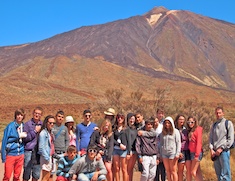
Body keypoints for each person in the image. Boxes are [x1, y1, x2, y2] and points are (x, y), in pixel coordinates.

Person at [209, 106, 234, 181]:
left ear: (223, 113)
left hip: (224, 152)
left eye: (220, 113)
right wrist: (211, 149)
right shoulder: (214, 125)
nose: (218, 114)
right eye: (217, 113)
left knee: (226, 174)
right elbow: (211, 138)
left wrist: (222, 148)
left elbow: (230, 139)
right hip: (215, 152)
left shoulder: (228, 123)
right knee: (218, 173)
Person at [1, 108, 27, 181]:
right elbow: (5, 141)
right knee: (7, 175)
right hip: (11, 154)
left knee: (17, 176)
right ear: (15, 116)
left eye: (21, 115)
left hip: (20, 154)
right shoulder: (10, 126)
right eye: (18, 115)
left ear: (23, 116)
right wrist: (3, 156)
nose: (19, 117)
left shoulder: (24, 126)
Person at [23, 106, 43, 181]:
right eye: (35, 113)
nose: (37, 115)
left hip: (38, 152)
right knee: (27, 172)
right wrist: (34, 131)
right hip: (29, 150)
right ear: (33, 113)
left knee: (36, 174)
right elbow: (25, 138)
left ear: (41, 115)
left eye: (39, 114)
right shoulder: (27, 124)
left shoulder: (42, 125)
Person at [160, 116, 181, 181]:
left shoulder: (176, 131)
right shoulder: (162, 133)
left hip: (172, 153)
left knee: (173, 171)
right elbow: (161, 144)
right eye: (165, 123)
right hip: (164, 154)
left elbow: (178, 143)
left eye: (168, 123)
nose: (167, 124)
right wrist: (160, 154)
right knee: (168, 171)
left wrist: (177, 153)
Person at [38, 115, 56, 181]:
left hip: (50, 156)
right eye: (50, 123)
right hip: (46, 157)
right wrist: (47, 158)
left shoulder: (50, 132)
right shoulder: (43, 133)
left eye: (53, 123)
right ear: (46, 123)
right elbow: (41, 148)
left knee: (49, 177)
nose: (52, 124)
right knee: (45, 177)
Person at [174, 114, 191, 181]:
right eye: (180, 119)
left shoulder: (186, 129)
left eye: (183, 119)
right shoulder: (175, 130)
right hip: (180, 151)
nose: (182, 121)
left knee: (188, 169)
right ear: (177, 120)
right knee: (180, 170)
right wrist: (178, 152)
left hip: (187, 150)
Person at [112, 113, 128, 181]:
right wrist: (119, 145)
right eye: (118, 117)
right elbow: (112, 139)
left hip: (124, 150)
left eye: (121, 117)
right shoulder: (113, 128)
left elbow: (129, 140)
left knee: (124, 169)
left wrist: (127, 149)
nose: (120, 119)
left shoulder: (126, 129)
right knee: (116, 168)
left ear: (124, 119)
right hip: (116, 149)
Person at [187, 116, 203, 181]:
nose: (190, 124)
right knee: (198, 172)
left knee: (193, 172)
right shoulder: (190, 130)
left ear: (195, 122)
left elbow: (199, 143)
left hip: (197, 153)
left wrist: (197, 155)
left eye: (192, 122)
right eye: (189, 122)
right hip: (191, 152)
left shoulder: (198, 129)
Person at [126, 113, 138, 181]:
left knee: (131, 169)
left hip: (135, 150)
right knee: (128, 169)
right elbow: (128, 140)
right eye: (130, 118)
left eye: (133, 119)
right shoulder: (126, 129)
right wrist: (129, 150)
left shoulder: (136, 128)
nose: (132, 120)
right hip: (129, 151)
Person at [155, 108, 166, 181]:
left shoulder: (165, 124)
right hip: (154, 149)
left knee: (163, 169)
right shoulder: (153, 123)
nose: (160, 115)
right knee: (156, 169)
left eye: (162, 113)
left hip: (162, 148)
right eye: (159, 113)